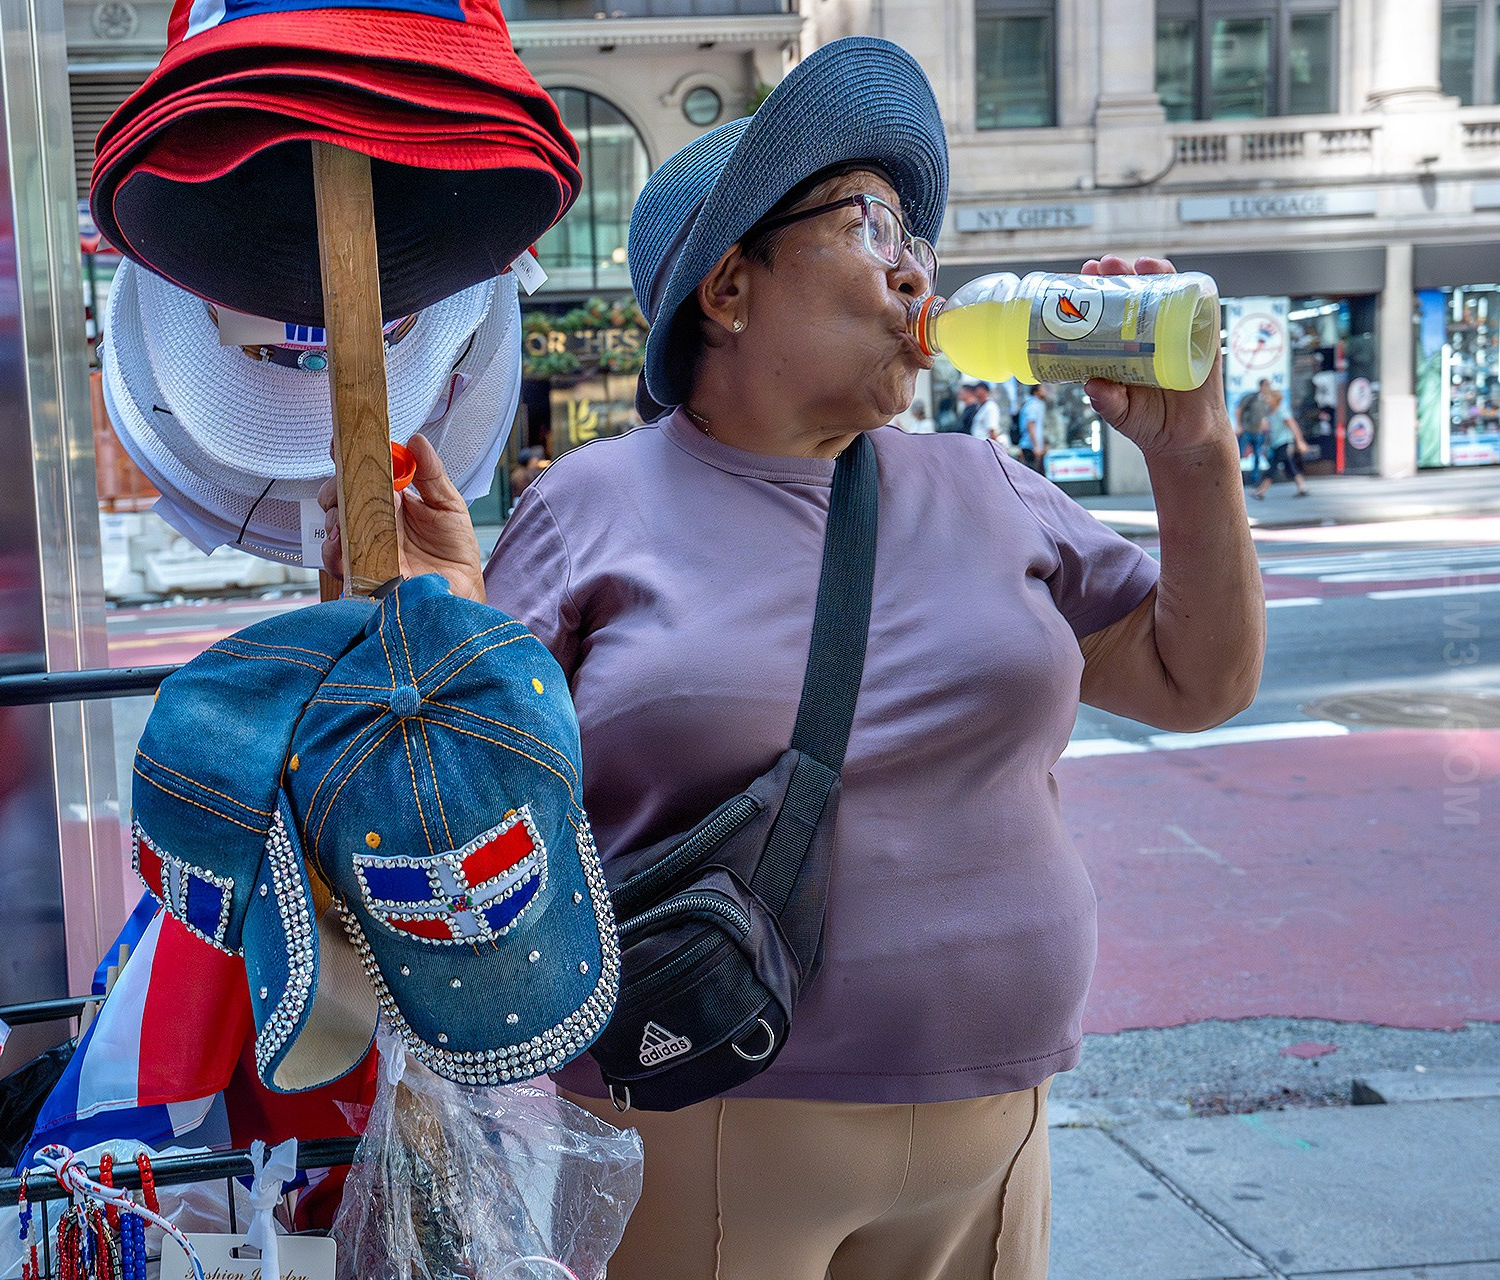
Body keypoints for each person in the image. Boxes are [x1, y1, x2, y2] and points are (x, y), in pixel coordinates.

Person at [319, 35, 1264, 1280]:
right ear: (730, 287)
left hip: (998, 1125)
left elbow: (1200, 679)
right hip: (710, 1120)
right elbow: (472, 814)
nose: (914, 262)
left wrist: (1194, 451)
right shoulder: (594, 502)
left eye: (913, 229)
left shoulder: (988, 480)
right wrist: (429, 620)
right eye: (868, 220)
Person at [1253, 384, 1311, 498]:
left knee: (1274, 466)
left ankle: (1262, 490)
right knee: (1289, 465)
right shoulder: (1269, 413)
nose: (1266, 400)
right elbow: (1269, 431)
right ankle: (1302, 486)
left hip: (1283, 441)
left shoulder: (1282, 411)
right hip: (1275, 442)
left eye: (1268, 397)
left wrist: (1299, 441)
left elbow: (1293, 425)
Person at [1235, 377, 1272, 486]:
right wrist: (1239, 426)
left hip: (1258, 432)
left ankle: (1255, 480)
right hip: (1247, 430)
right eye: (1266, 385)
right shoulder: (1252, 398)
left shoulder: (1266, 401)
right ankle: (1237, 479)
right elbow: (1239, 410)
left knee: (1257, 456)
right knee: (1240, 454)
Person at [1019, 383, 1049, 472]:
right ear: (1036, 391)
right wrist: (1036, 446)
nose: (1045, 391)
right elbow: (1030, 426)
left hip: (1035, 447)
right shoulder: (1033, 405)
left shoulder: (1039, 404)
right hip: (1030, 447)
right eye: (1042, 389)